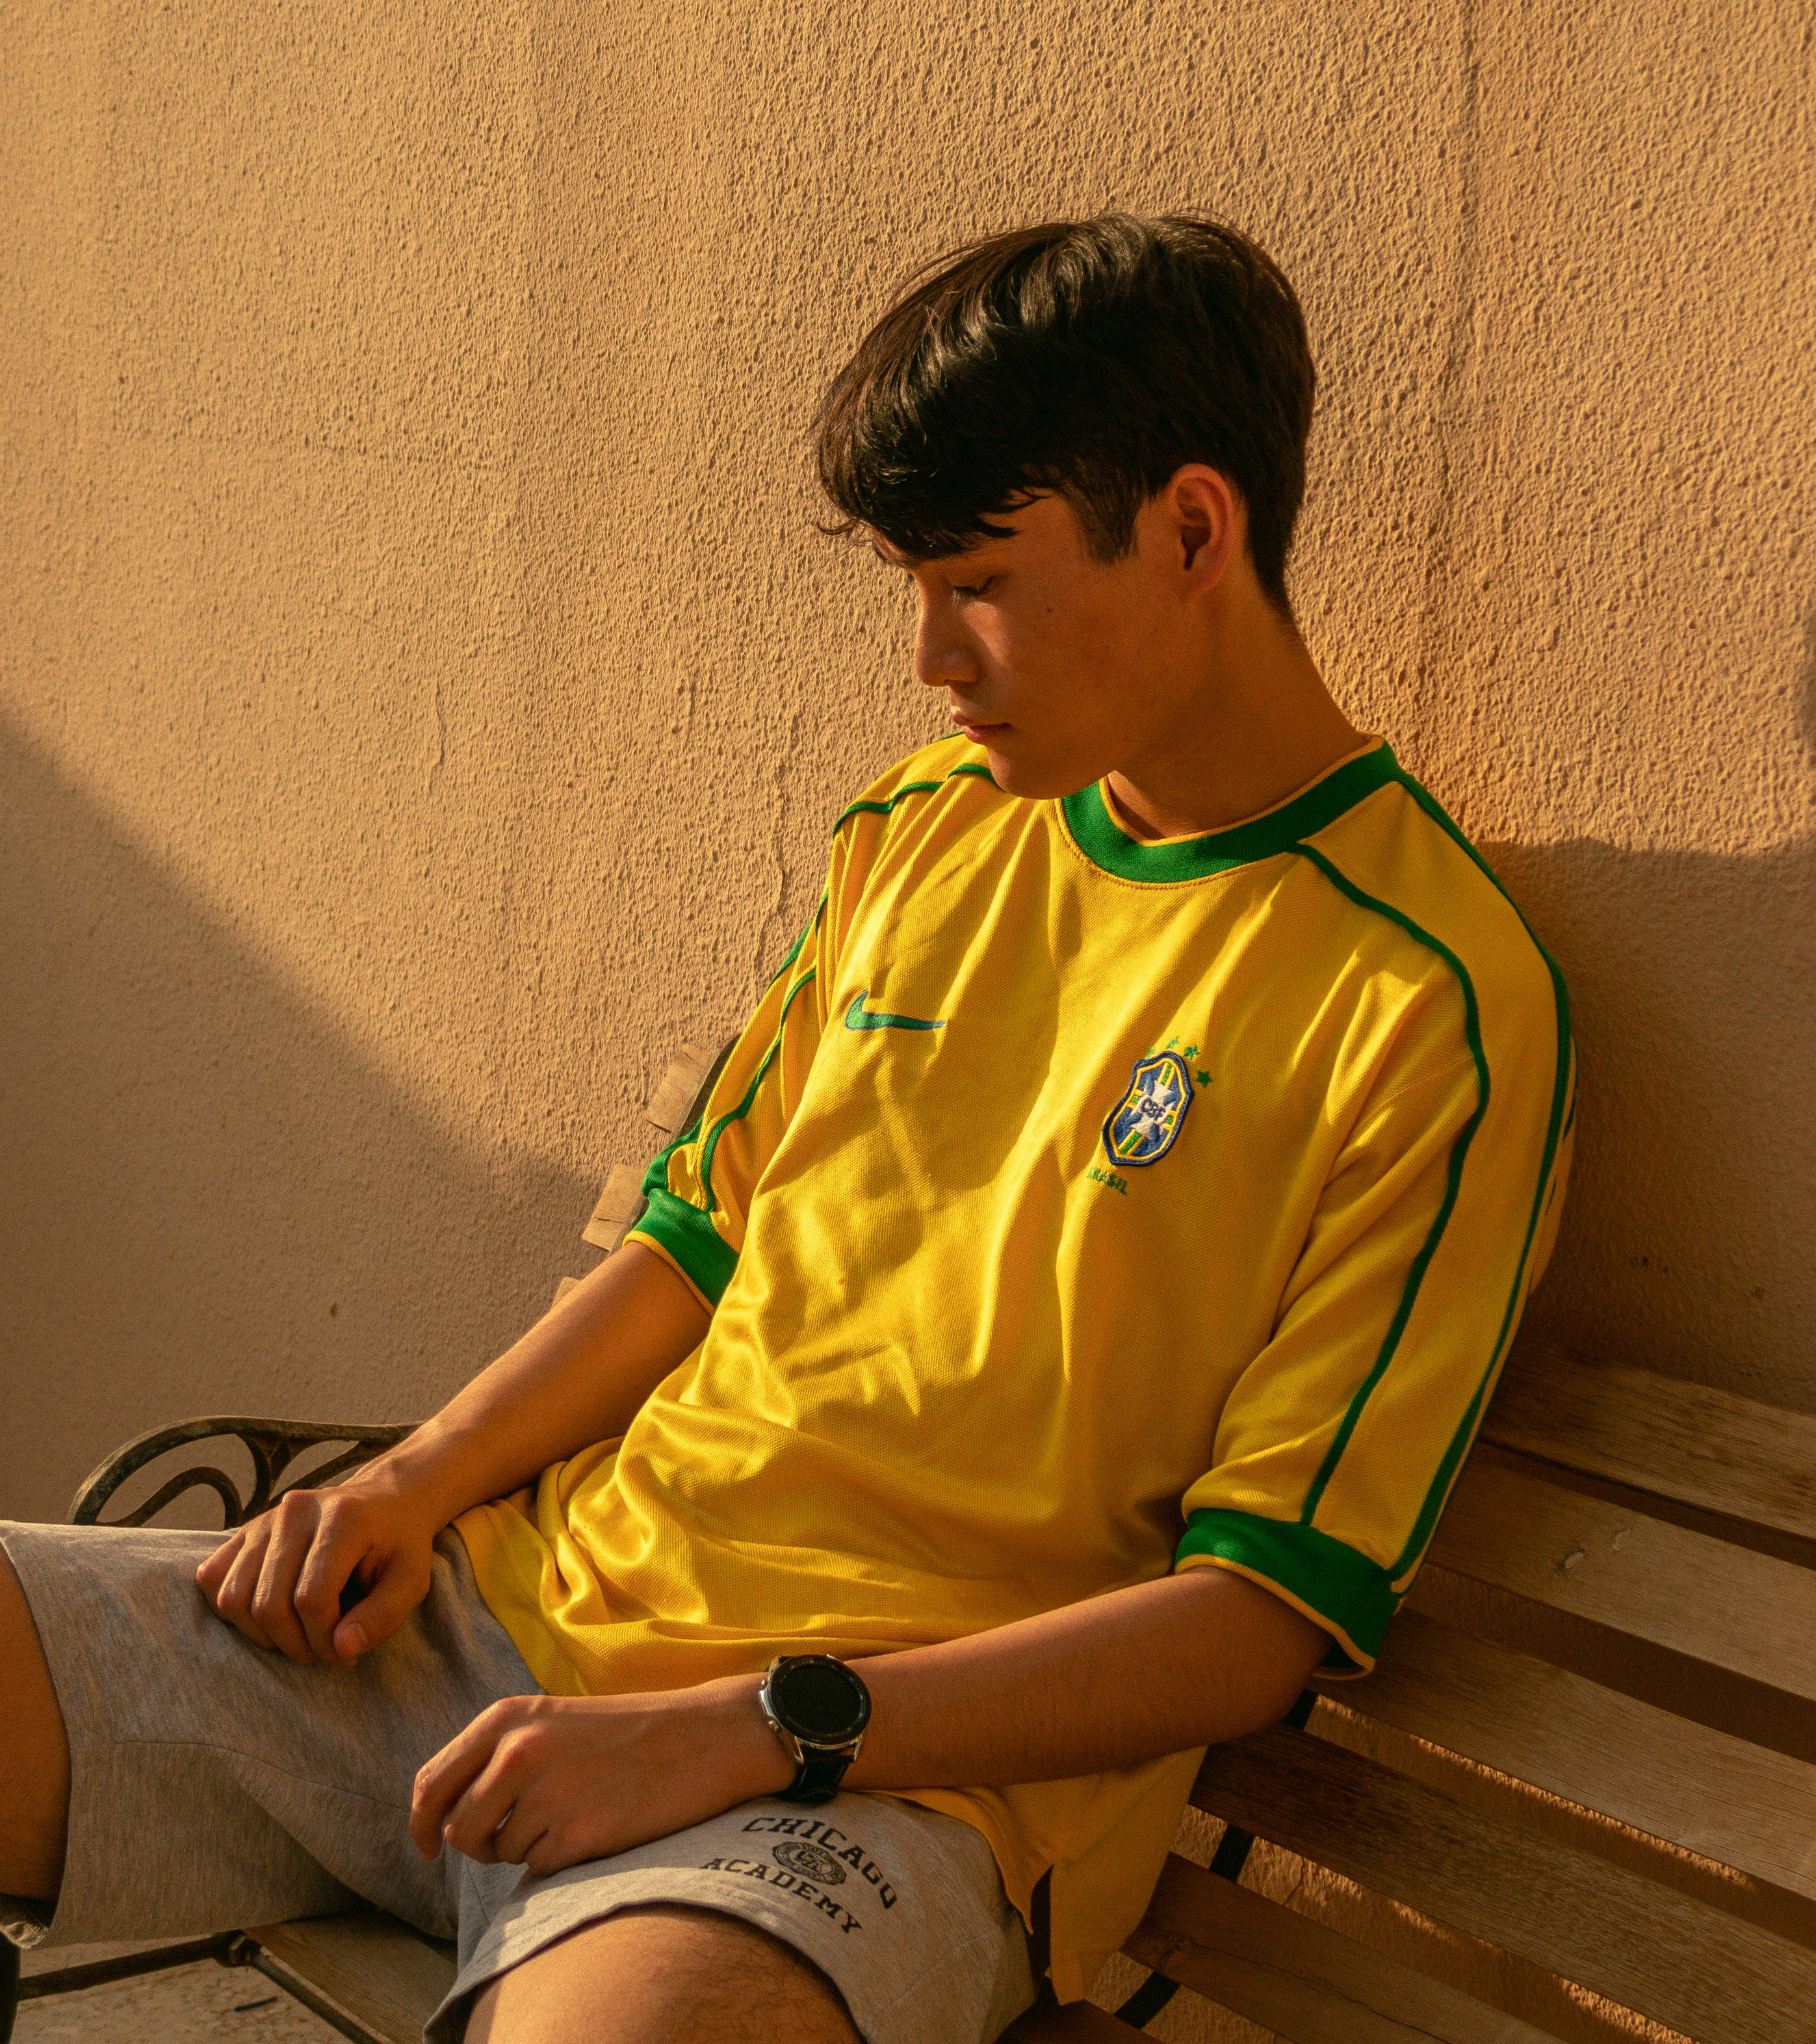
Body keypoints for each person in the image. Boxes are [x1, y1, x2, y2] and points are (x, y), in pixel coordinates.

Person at [0, 214, 1574, 2044]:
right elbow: (695, 1240)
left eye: (975, 580)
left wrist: (743, 1727)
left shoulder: (1427, 998)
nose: (930, 656)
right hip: (499, 1640)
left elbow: (1254, 1617)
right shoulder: (920, 831)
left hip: (865, 1786)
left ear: (1192, 532)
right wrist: (404, 1485)